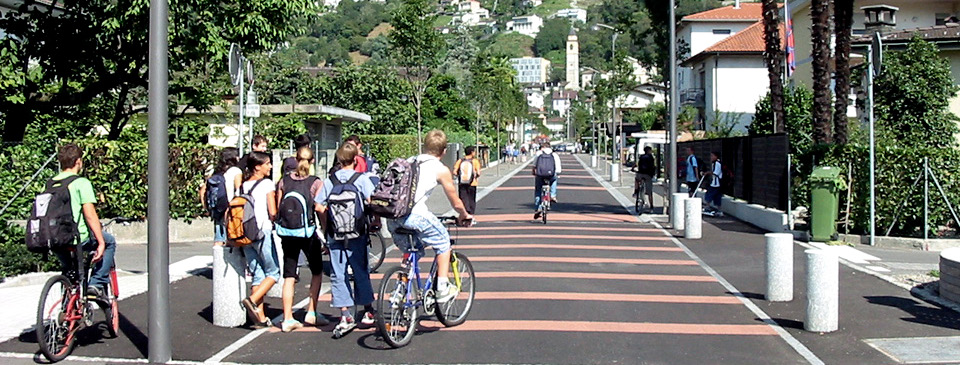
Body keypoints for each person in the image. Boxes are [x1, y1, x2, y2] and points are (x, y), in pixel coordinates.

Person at [386, 130, 473, 304]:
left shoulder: (408, 161)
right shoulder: (440, 169)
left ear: (424, 146)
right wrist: (464, 215)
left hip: (392, 216)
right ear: (444, 151)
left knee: (412, 251)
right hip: (414, 215)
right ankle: (442, 287)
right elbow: (455, 202)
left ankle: (399, 290)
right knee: (443, 242)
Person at [315, 143, 377, 335]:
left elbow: (318, 206)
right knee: (360, 270)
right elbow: (372, 202)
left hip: (336, 234)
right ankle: (367, 310)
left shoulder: (330, 181)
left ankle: (345, 314)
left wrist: (327, 227)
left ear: (338, 159)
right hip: (357, 233)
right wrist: (375, 222)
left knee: (338, 273)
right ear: (355, 159)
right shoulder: (362, 179)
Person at [50, 144, 117, 301]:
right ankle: (96, 283)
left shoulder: (50, 182)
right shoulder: (81, 183)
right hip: (77, 237)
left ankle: (66, 311)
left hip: (54, 238)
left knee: (69, 270)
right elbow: (90, 215)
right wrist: (100, 241)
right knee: (109, 242)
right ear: (79, 161)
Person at [276, 147, 329, 332]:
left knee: (289, 275)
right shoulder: (315, 182)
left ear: (295, 159)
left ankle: (287, 317)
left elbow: (277, 208)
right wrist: (326, 231)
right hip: (307, 233)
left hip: (287, 232)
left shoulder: (284, 181)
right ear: (312, 161)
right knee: (316, 270)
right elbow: (320, 208)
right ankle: (312, 312)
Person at [239, 151, 281, 328]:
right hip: (262, 230)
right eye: (267, 164)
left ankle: (260, 318)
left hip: (245, 233)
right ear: (258, 167)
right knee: (274, 272)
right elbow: (272, 211)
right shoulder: (266, 184)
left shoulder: (242, 186)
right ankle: (253, 300)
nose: (270, 167)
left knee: (258, 273)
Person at [199, 147, 242, 246]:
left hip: (218, 209)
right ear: (234, 157)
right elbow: (239, 190)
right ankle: (228, 260)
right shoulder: (236, 170)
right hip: (230, 208)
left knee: (218, 238)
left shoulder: (216, 171)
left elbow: (202, 191)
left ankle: (217, 259)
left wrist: (207, 207)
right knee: (231, 237)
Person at [532, 142, 562, 219]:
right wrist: (557, 174)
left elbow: (534, 164)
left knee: (538, 190)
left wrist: (533, 172)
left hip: (540, 175)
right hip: (551, 174)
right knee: (554, 181)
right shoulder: (554, 154)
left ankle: (537, 207)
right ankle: (552, 195)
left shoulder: (539, 153)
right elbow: (558, 167)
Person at [453, 146, 482, 214]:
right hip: (472, 183)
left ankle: (464, 212)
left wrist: (460, 176)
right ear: (472, 152)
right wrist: (475, 176)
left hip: (462, 183)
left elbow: (454, 172)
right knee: (471, 199)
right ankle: (470, 214)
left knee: (463, 199)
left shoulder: (460, 161)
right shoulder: (475, 161)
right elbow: (478, 173)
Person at [631, 146, 657, 212]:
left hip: (640, 174)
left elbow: (637, 164)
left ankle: (636, 192)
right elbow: (653, 166)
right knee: (649, 192)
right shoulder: (651, 157)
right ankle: (651, 206)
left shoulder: (641, 157)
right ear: (649, 151)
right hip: (648, 175)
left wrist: (632, 169)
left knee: (637, 179)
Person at [703, 151, 724, 216]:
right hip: (716, 183)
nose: (711, 157)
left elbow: (715, 173)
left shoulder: (717, 163)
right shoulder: (714, 163)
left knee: (709, 195)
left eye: (712, 156)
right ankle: (719, 210)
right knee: (717, 197)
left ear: (716, 156)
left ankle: (707, 207)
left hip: (715, 184)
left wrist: (707, 173)